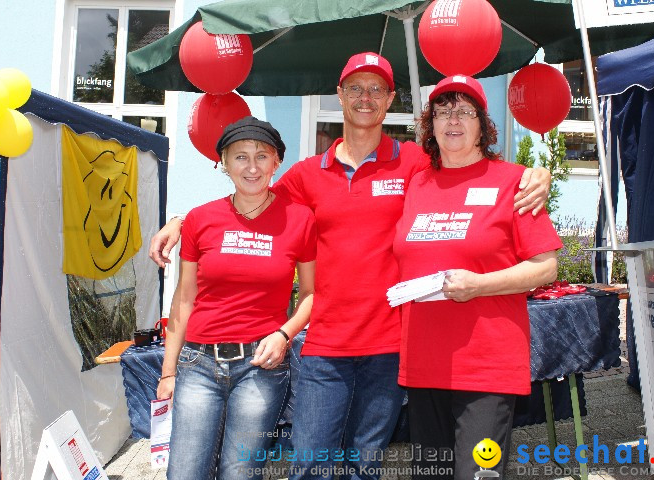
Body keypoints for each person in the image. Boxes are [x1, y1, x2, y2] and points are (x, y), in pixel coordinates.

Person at [150, 53, 552, 480]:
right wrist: (182, 219)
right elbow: (251, 198)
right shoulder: (307, 174)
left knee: (366, 468)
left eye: (377, 89)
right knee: (310, 466)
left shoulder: (415, 165)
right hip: (326, 344)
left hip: (390, 345)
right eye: (356, 88)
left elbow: (475, 170)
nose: (366, 98)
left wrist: (537, 172)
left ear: (391, 99)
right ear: (339, 96)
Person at [392, 75, 563, 479]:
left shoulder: (513, 182)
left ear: (483, 125)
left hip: (487, 366)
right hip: (423, 363)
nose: (454, 120)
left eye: (465, 112)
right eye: (443, 111)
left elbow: (546, 266)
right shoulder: (417, 181)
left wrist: (478, 286)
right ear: (429, 124)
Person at [156, 116, 316, 480]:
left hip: (260, 366)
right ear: (224, 164)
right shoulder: (200, 219)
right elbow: (184, 297)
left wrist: (284, 333)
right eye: (240, 157)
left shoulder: (300, 220)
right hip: (198, 364)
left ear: (277, 162)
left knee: (240, 472)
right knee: (184, 472)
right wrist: (168, 372)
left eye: (262, 156)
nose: (252, 166)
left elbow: (310, 294)